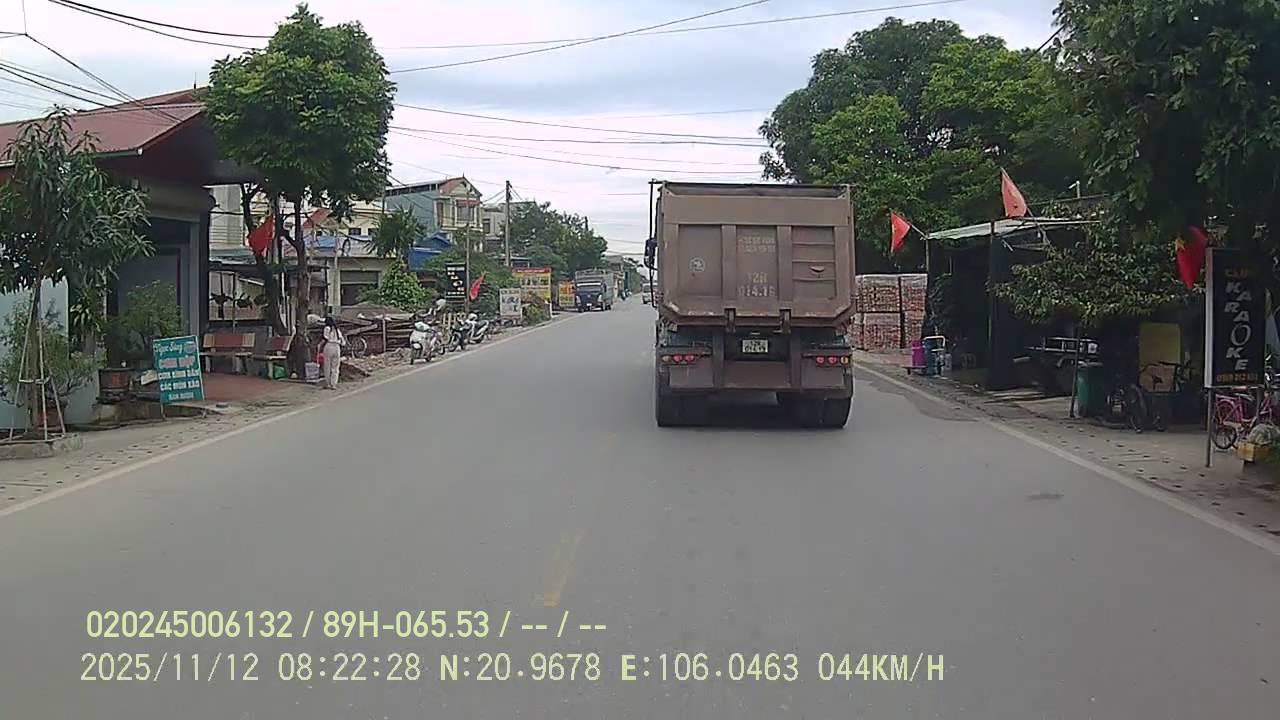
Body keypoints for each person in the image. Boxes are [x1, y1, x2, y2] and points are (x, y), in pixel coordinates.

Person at [321, 316, 346, 389]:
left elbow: (325, 338)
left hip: (329, 346)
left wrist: (319, 345)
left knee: (327, 366)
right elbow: (343, 342)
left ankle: (328, 383)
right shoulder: (337, 330)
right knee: (335, 367)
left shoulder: (327, 328)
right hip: (337, 347)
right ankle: (334, 384)